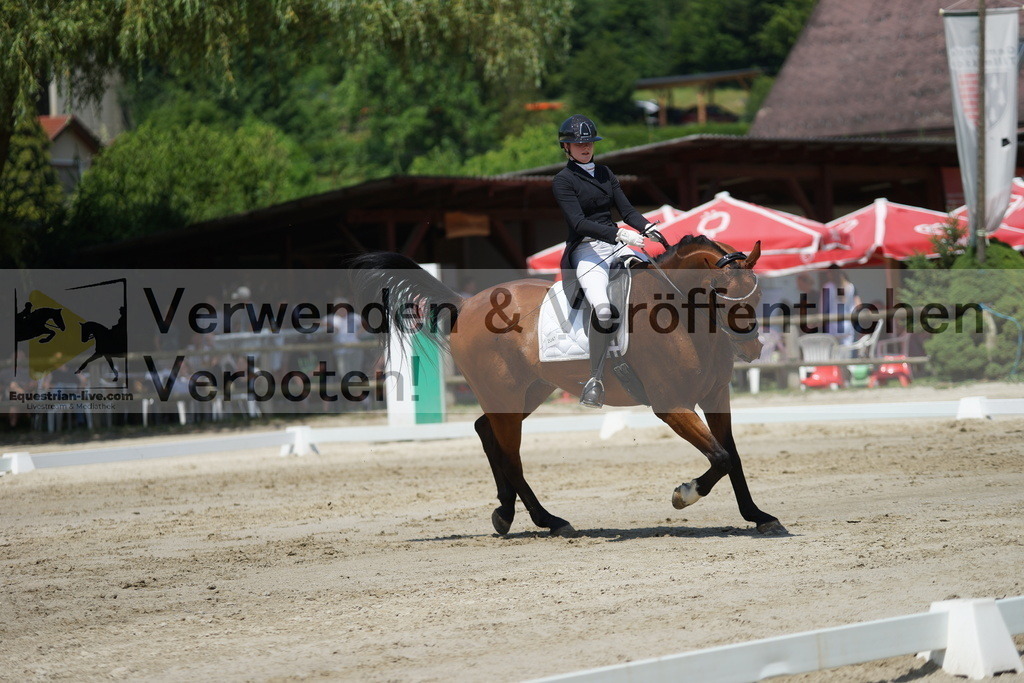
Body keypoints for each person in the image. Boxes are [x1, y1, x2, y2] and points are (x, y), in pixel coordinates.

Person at [551, 114, 662, 408]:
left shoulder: (604, 173)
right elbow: (578, 222)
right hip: (588, 250)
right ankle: (595, 379)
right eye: (579, 143)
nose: (585, 147)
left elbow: (627, 210)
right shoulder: (563, 181)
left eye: (589, 142)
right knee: (603, 310)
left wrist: (646, 227)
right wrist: (619, 234)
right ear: (566, 146)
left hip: (618, 244)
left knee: (656, 283)